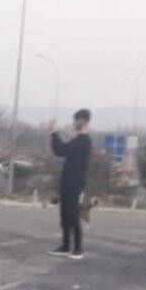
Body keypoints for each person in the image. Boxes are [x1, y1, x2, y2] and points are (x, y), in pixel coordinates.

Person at [49, 108, 93, 259]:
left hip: (75, 183)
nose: (73, 123)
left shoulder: (84, 141)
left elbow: (61, 149)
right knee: (64, 214)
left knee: (72, 214)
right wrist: (55, 135)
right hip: (67, 182)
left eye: (76, 120)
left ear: (83, 121)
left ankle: (78, 249)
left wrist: (54, 134)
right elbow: (61, 150)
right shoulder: (78, 140)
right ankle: (66, 246)